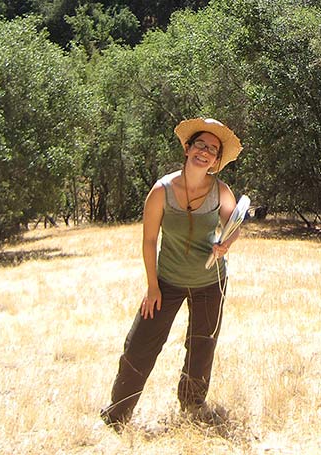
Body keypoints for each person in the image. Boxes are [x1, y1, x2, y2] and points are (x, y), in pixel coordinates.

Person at [100, 118, 243, 430]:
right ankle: (117, 414)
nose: (205, 152)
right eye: (200, 145)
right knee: (140, 344)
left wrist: (226, 243)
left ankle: (193, 406)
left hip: (210, 282)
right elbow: (149, 241)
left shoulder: (220, 190)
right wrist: (153, 287)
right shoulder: (161, 191)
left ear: (217, 161)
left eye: (213, 150)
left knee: (202, 345)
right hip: (166, 282)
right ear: (187, 148)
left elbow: (234, 222)